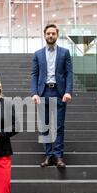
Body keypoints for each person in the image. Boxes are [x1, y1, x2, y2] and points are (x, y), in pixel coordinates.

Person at [31, 23, 73, 168]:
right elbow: (34, 74)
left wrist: (68, 91)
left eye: (53, 33)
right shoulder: (38, 54)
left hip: (59, 92)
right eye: (48, 33)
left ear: (57, 35)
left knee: (59, 126)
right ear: (44, 35)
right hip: (43, 93)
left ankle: (59, 156)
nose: (50, 35)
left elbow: (69, 73)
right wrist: (34, 93)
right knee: (44, 127)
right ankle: (49, 156)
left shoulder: (65, 52)